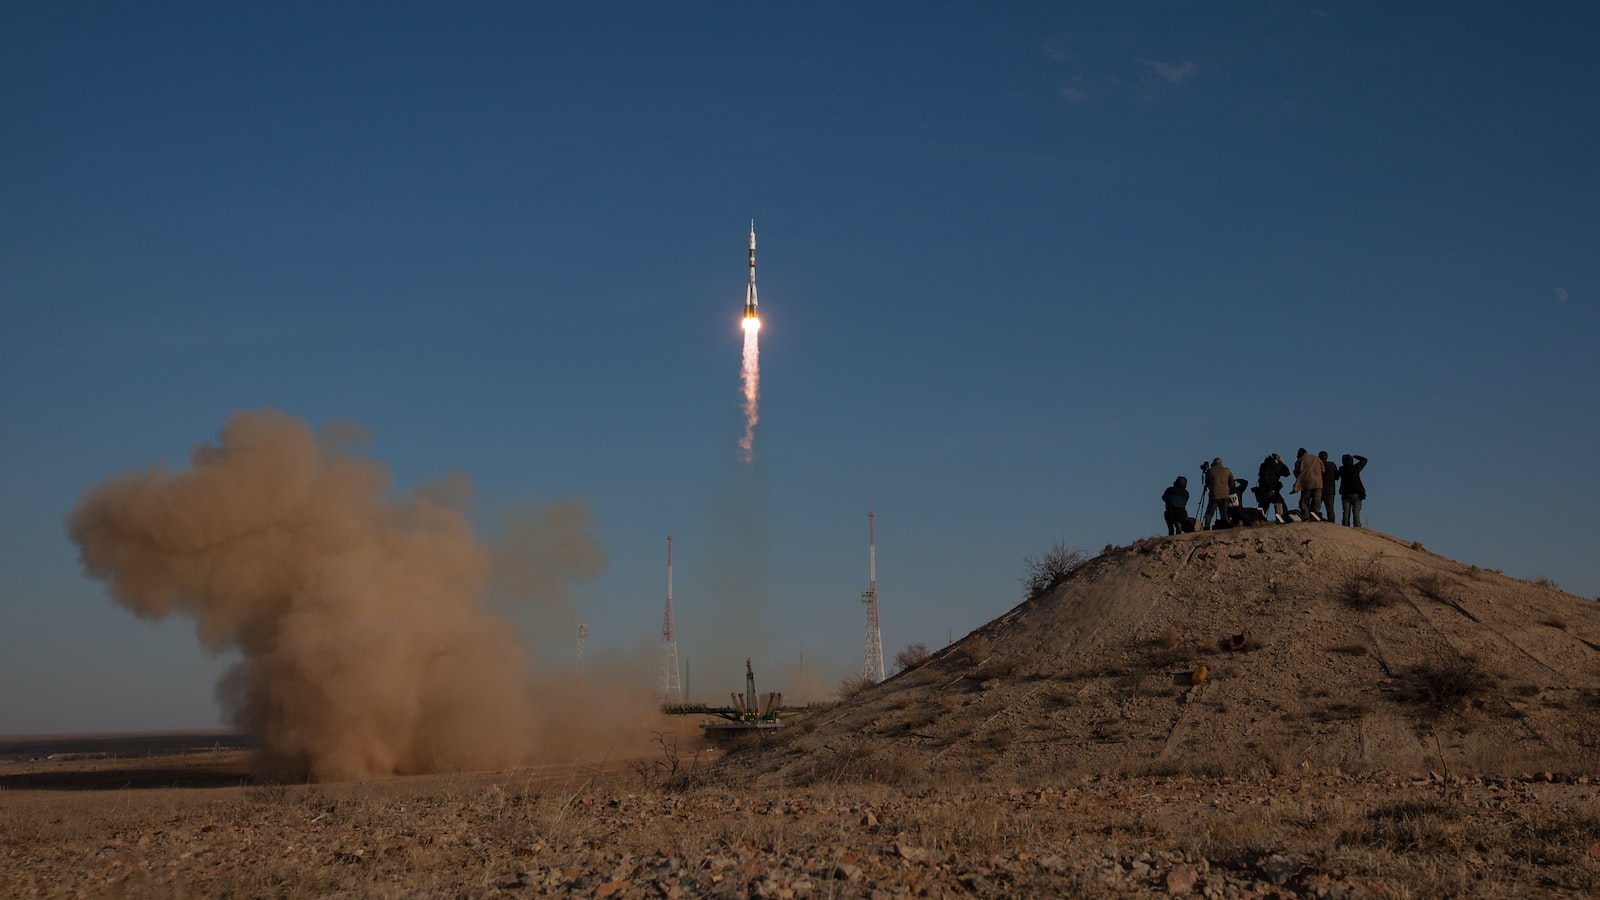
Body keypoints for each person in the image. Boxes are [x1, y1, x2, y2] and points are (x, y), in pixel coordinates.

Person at [1256, 453, 1290, 522]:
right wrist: (1280, 462)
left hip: (1262, 491)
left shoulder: (1263, 465)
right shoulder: (1274, 465)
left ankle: (1258, 520)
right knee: (1280, 503)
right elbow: (1287, 473)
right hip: (1271, 489)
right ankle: (1282, 518)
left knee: (1262, 508)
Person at [1291, 447, 1322, 520]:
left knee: (1304, 501)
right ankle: (1316, 515)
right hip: (1318, 483)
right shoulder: (1316, 458)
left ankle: (1306, 516)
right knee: (1316, 500)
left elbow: (1296, 473)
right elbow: (1323, 469)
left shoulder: (1300, 460)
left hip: (1306, 484)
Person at [1339, 454, 1368, 527]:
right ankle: (1357, 526)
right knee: (1356, 512)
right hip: (1356, 493)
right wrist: (1355, 456)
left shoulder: (1342, 469)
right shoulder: (1355, 468)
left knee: (1346, 512)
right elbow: (1364, 460)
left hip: (1345, 493)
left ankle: (1345, 526)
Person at [1204, 457, 1233, 529]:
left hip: (1214, 496)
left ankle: (1206, 527)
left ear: (1214, 463)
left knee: (1209, 514)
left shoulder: (1210, 471)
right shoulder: (1227, 470)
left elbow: (1206, 483)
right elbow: (1232, 482)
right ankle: (1226, 527)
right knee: (1224, 514)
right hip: (1225, 495)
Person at [1319, 451, 1339, 523]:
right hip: (1330, 490)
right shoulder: (1332, 465)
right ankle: (1331, 522)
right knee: (1330, 508)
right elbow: (1337, 477)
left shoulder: (1317, 465)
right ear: (1327, 457)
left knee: (1316, 507)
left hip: (1319, 489)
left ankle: (1315, 518)